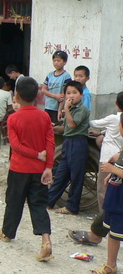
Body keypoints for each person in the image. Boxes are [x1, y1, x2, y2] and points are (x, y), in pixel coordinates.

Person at [0, 77, 55, 261]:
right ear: (36, 96)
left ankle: (7, 233)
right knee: (38, 204)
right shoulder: (44, 116)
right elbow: (50, 143)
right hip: (39, 170)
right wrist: (48, 166)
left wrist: (35, 154)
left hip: (19, 168)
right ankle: (46, 241)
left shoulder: (13, 118)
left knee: (14, 201)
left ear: (17, 95)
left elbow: (15, 145)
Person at [48, 80, 90, 214]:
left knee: (76, 176)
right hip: (68, 142)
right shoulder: (71, 109)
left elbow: (73, 125)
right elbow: (66, 128)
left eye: (74, 93)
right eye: (68, 93)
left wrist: (65, 108)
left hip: (78, 143)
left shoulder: (82, 109)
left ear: (81, 95)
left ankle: (72, 207)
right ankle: (48, 202)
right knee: (61, 174)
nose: (71, 96)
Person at [90, 114, 123, 274]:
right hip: (115, 196)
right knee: (113, 233)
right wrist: (113, 174)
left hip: (120, 200)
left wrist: (113, 170)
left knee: (116, 232)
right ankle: (111, 264)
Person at [89, 92, 123, 211]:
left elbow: (93, 123)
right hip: (120, 158)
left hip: (108, 157)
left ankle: (102, 218)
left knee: (102, 189)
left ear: (116, 103)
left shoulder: (113, 118)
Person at [41, 50, 71, 123]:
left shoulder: (66, 76)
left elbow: (63, 95)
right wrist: (54, 96)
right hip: (48, 105)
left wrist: (60, 110)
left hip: (57, 108)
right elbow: (43, 90)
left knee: (55, 127)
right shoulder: (50, 74)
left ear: (64, 62)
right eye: (54, 61)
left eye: (58, 61)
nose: (56, 63)